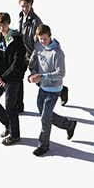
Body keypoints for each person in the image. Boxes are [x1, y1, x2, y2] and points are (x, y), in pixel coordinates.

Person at [27, 25, 77, 157]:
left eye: (44, 39)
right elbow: (33, 61)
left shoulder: (58, 53)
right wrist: (32, 73)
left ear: (50, 36)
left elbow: (61, 73)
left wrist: (42, 76)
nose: (42, 41)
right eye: (40, 39)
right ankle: (69, 124)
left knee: (45, 119)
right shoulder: (38, 46)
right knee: (45, 115)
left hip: (54, 89)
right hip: (42, 87)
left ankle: (43, 146)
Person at [0, 12, 26, 144]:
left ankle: (15, 135)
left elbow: (18, 61)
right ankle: (8, 124)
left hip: (13, 77)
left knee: (10, 106)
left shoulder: (16, 38)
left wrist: (5, 77)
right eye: (0, 25)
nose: (2, 28)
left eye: (4, 25)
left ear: (9, 23)